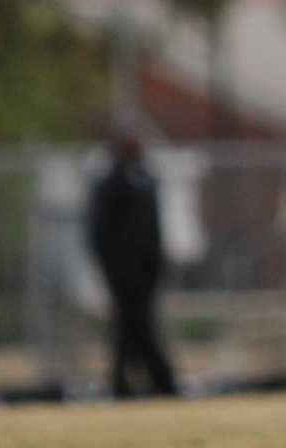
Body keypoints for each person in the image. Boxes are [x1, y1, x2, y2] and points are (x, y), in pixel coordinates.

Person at [87, 127, 178, 398]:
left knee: (136, 326)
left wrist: (155, 260)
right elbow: (101, 231)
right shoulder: (111, 182)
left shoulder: (146, 178)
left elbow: (153, 227)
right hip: (123, 271)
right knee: (130, 325)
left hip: (147, 269)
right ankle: (153, 382)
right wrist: (115, 266)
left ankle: (138, 382)